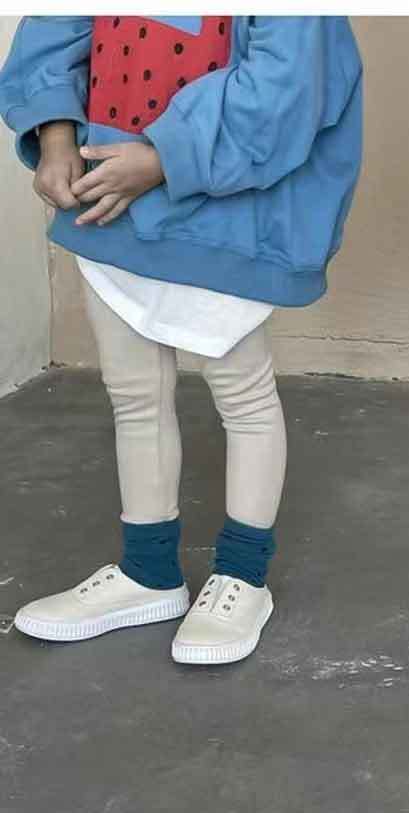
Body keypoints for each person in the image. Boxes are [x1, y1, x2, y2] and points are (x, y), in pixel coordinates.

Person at [0, 15, 362, 664]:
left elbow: (288, 81)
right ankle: (148, 572)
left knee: (242, 395)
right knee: (132, 391)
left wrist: (166, 157)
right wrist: (55, 136)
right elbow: (57, 23)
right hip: (108, 196)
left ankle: (243, 576)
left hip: (226, 204)